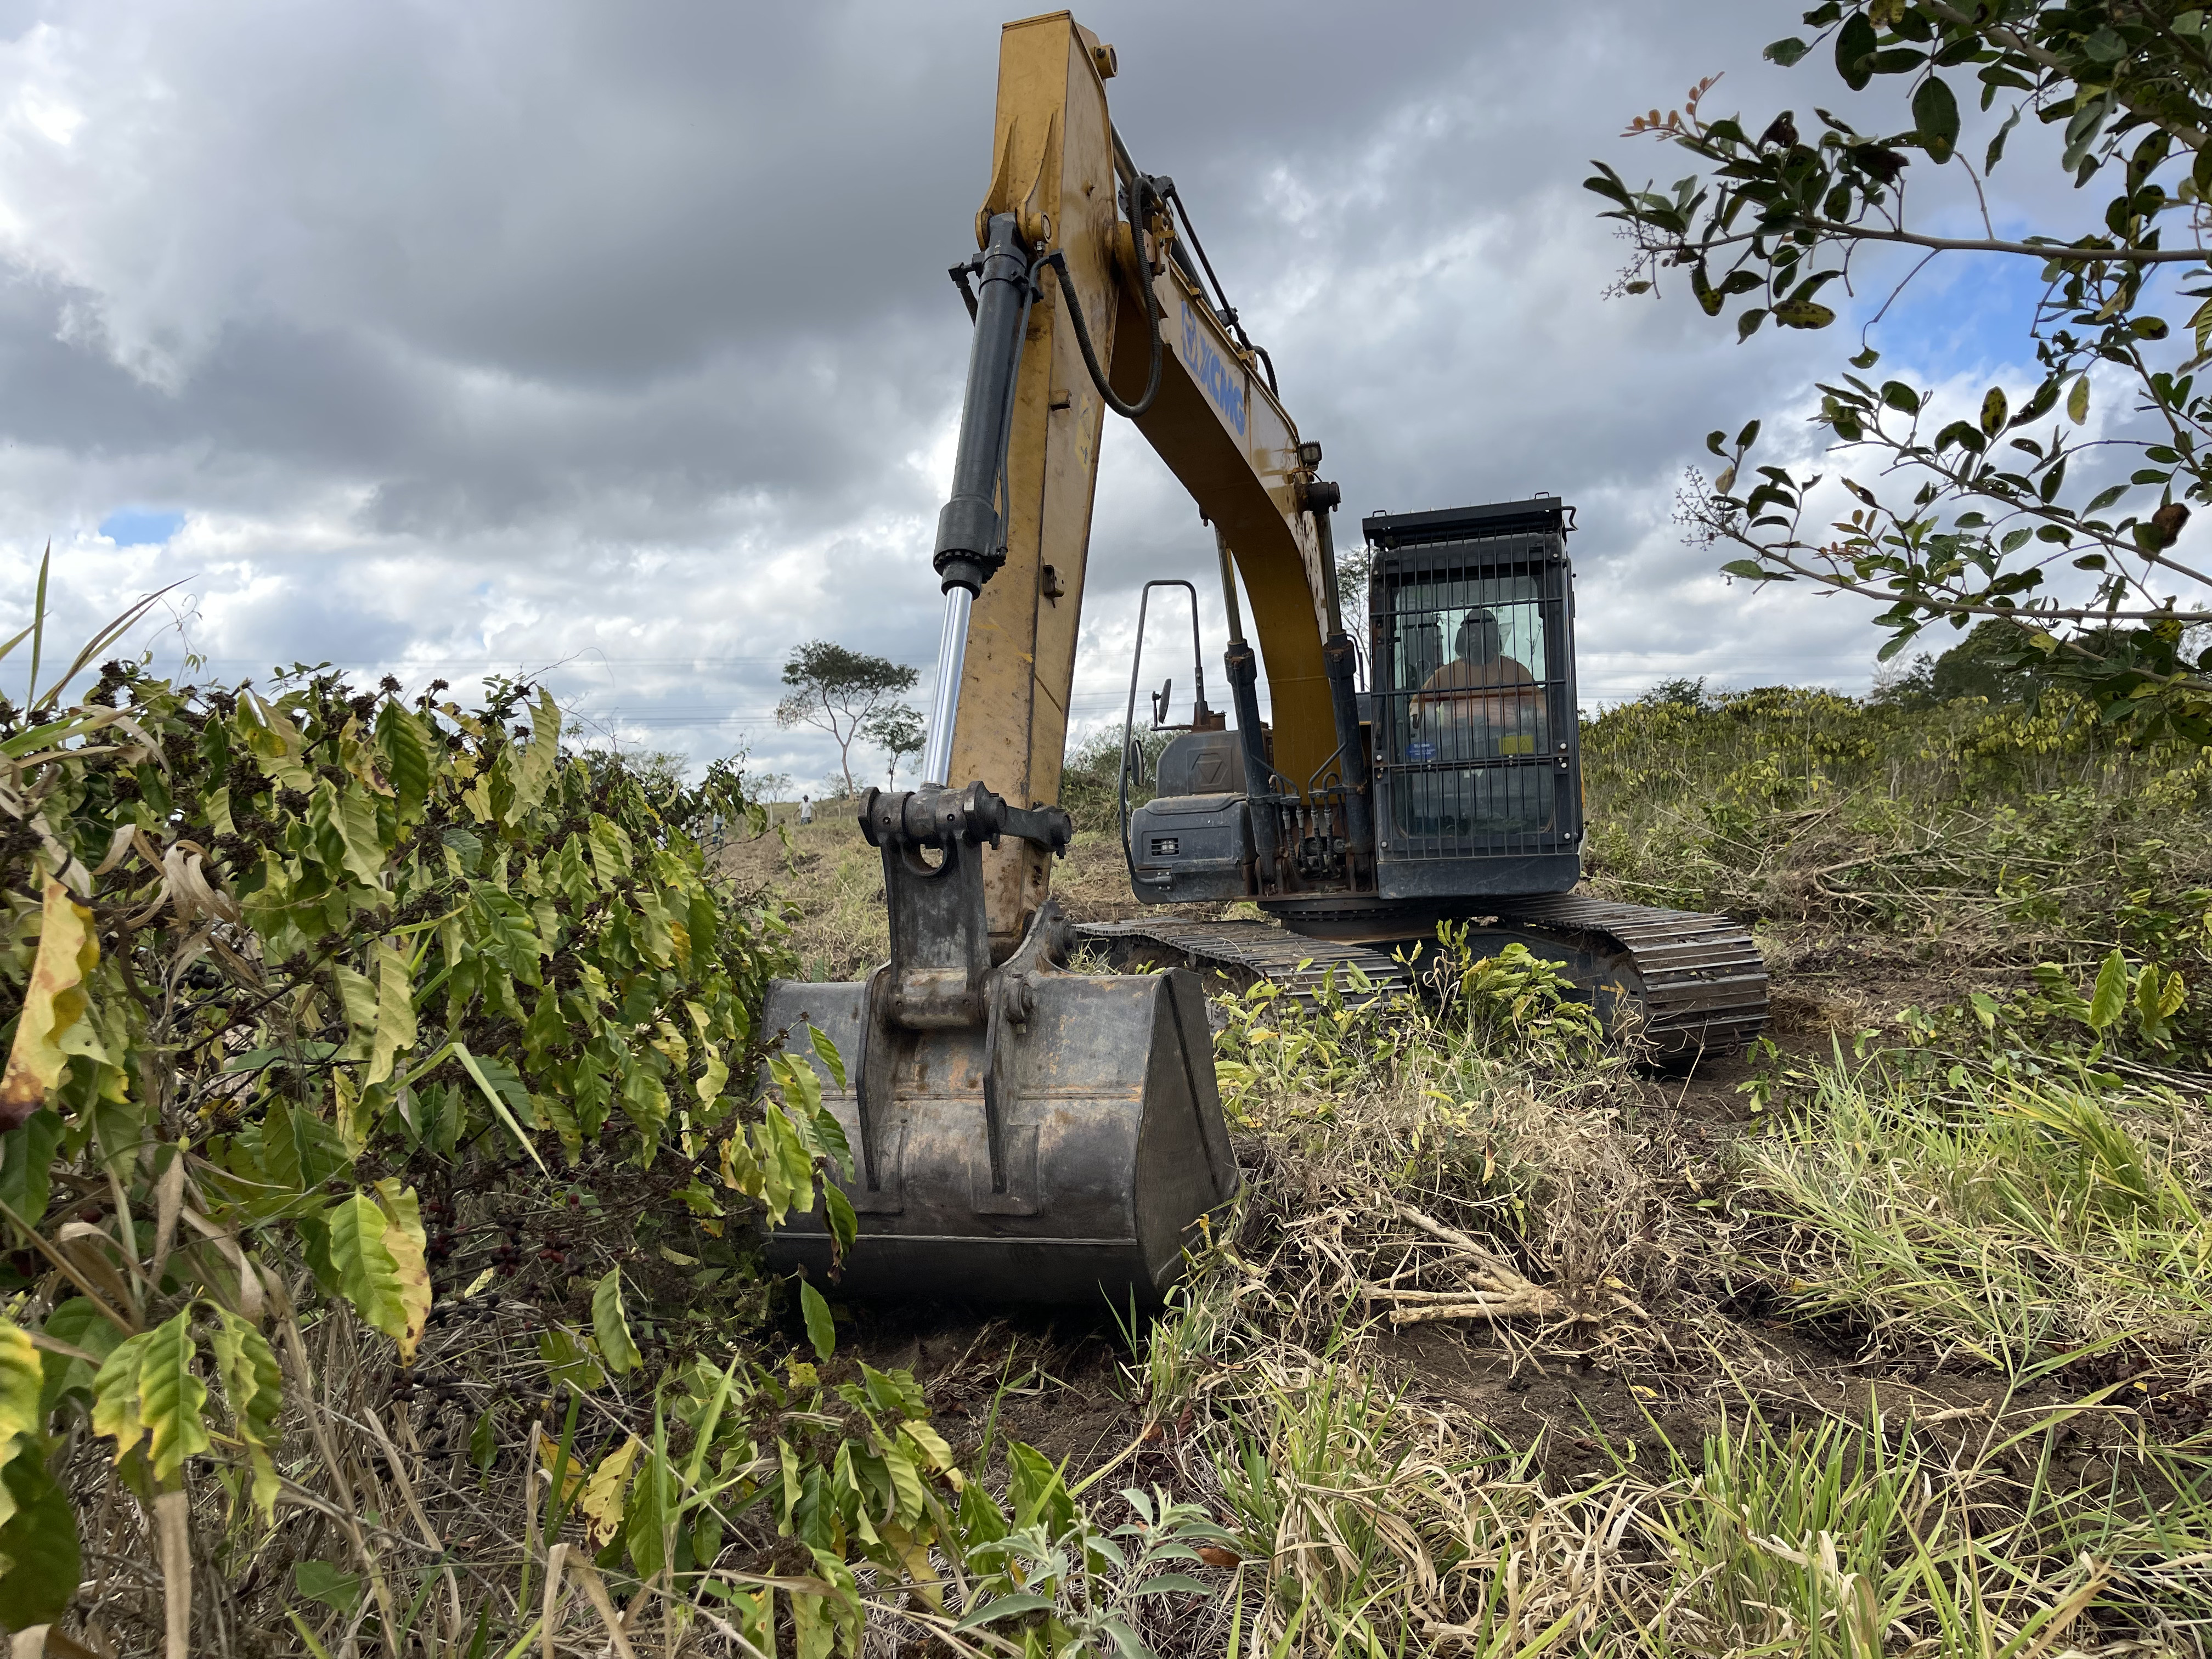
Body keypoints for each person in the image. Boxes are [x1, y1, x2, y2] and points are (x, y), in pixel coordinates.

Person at [1412, 610, 1540, 760]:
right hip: (1455, 749)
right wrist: (1439, 719)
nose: (1477, 636)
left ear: (1495, 637)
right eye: (1471, 631)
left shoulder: (1516, 671)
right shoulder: (1444, 675)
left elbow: (1542, 711)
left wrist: (1518, 718)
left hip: (1509, 747)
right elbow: (1416, 708)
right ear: (1462, 637)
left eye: (1484, 630)